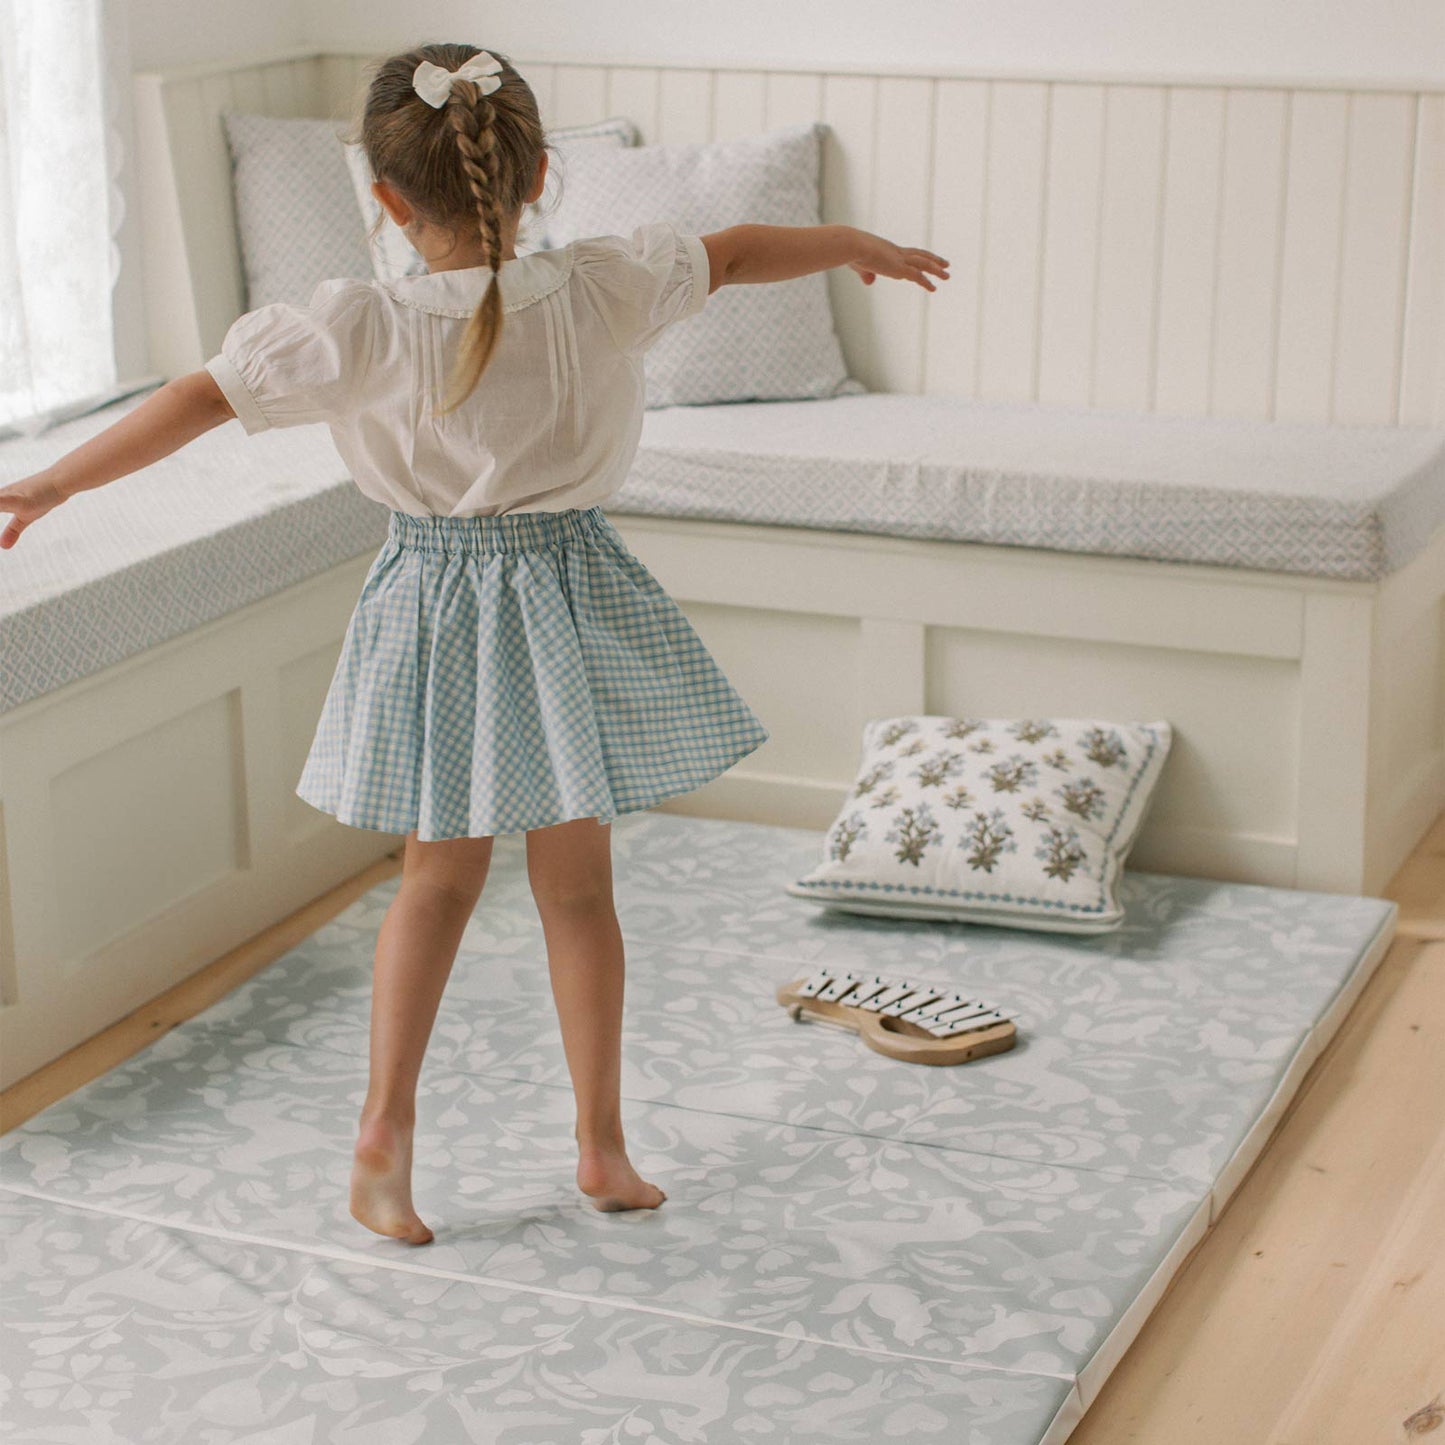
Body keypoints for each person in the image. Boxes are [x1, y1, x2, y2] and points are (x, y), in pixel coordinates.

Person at [0, 42, 949, 1246]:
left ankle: (382, 1136)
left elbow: (197, 398)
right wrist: (852, 244)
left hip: (434, 604)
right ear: (543, 174)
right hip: (564, 597)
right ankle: (599, 1142)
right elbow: (747, 246)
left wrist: (53, 484)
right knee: (578, 890)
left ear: (386, 198)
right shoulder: (607, 282)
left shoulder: (358, 324)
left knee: (434, 882)